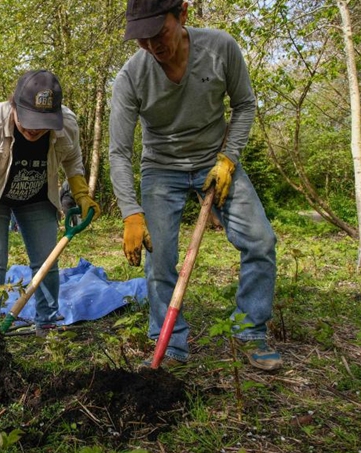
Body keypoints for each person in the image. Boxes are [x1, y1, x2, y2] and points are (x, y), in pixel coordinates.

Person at [109, 0, 280, 370]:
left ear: (183, 14)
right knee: (160, 261)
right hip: (161, 168)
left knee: (261, 241)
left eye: (159, 33)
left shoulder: (220, 48)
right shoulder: (131, 77)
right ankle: (170, 346)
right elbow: (119, 152)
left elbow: (245, 103)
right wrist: (131, 212)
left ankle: (250, 330)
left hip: (214, 161)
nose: (153, 46)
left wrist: (229, 157)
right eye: (142, 39)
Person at [0, 70, 100, 335]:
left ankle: (47, 321)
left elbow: (73, 160)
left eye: (42, 122)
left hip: (37, 198)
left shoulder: (67, 125)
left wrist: (81, 193)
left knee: (47, 261)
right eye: (29, 119)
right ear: (14, 104)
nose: (35, 129)